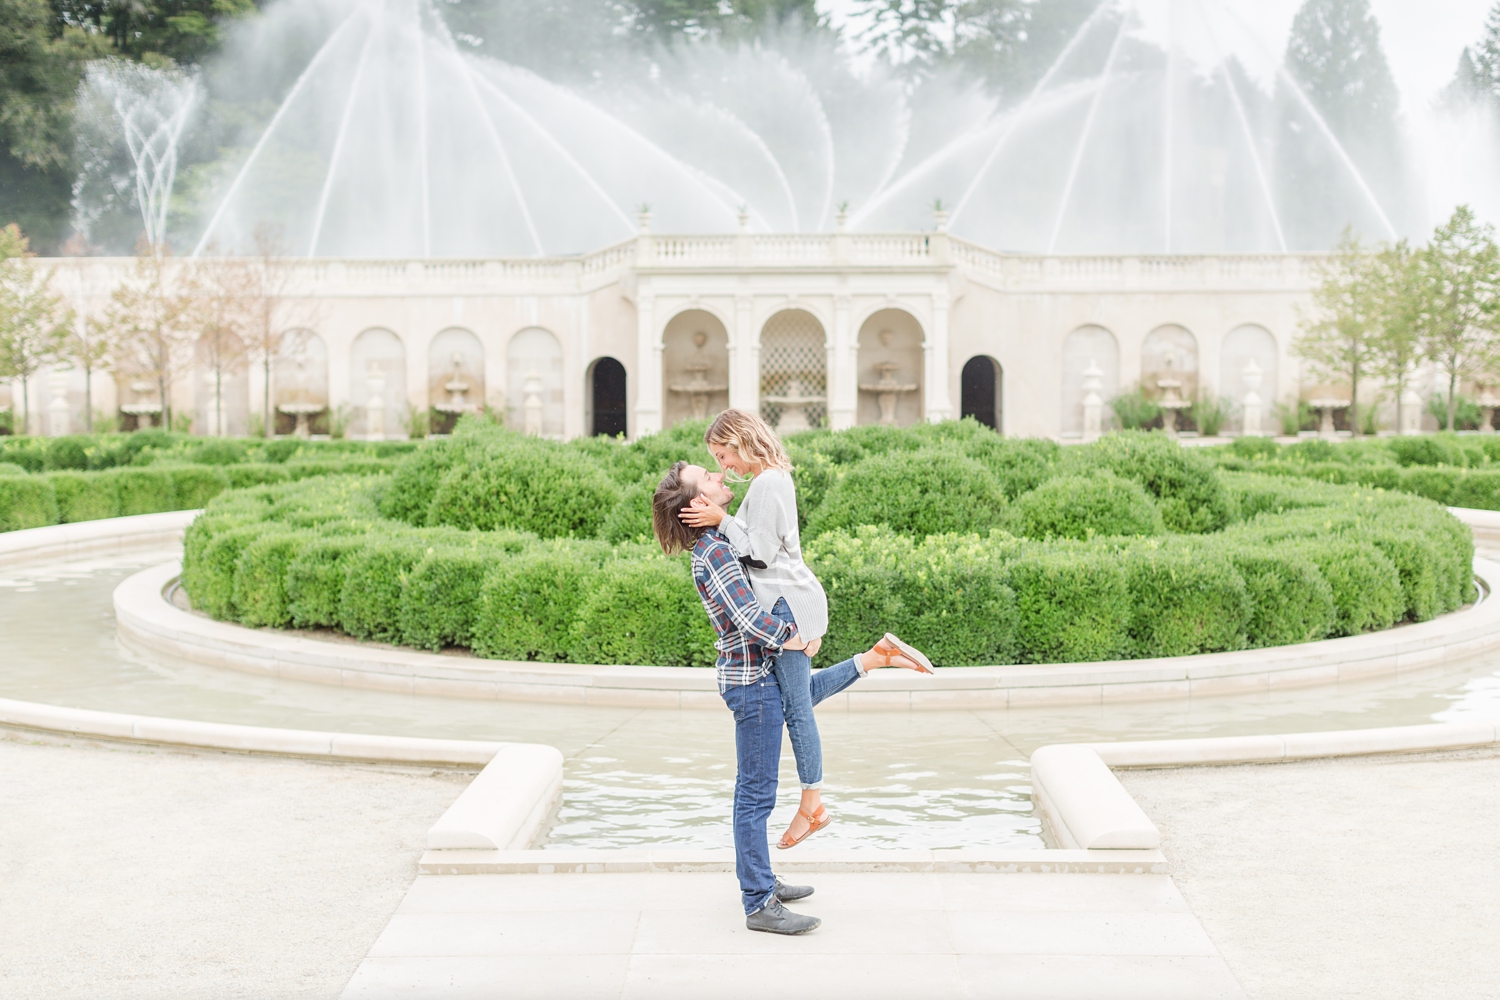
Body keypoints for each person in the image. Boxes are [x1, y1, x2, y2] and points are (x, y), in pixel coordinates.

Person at [653, 459, 934, 935]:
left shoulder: (722, 540)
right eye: (710, 477)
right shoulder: (713, 552)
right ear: (696, 501)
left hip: (756, 677)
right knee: (755, 796)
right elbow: (747, 618)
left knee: (795, 710)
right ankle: (759, 902)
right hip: (750, 683)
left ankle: (873, 659)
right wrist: (796, 636)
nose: (722, 478)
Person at [679, 409, 935, 850]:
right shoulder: (767, 481)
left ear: (741, 441)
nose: (725, 467)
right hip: (787, 599)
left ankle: (812, 804)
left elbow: (759, 554)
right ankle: (875, 657)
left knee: (796, 711)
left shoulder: (767, 483)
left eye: (724, 455)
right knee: (789, 702)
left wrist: (721, 522)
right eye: (717, 461)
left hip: (786, 602)